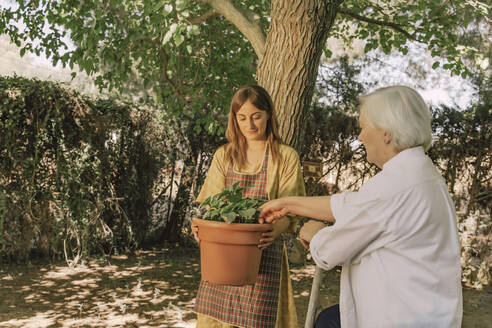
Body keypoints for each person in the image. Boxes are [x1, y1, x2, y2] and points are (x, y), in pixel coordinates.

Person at [259, 86, 462, 328]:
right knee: (329, 319)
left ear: (386, 133)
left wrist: (314, 234)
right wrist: (288, 203)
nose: (359, 137)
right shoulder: (421, 174)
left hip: (400, 316)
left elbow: (329, 251)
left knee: (328, 322)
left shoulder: (393, 187)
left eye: (364, 127)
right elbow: (352, 206)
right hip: (425, 309)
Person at [192, 85, 306, 328]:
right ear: (234, 119)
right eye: (242, 118)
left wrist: (274, 231)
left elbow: (292, 210)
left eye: (256, 116)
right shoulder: (224, 155)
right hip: (221, 257)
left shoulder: (285, 157)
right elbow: (209, 206)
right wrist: (199, 225)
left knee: (258, 321)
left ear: (268, 116)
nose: (250, 125)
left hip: (263, 255)